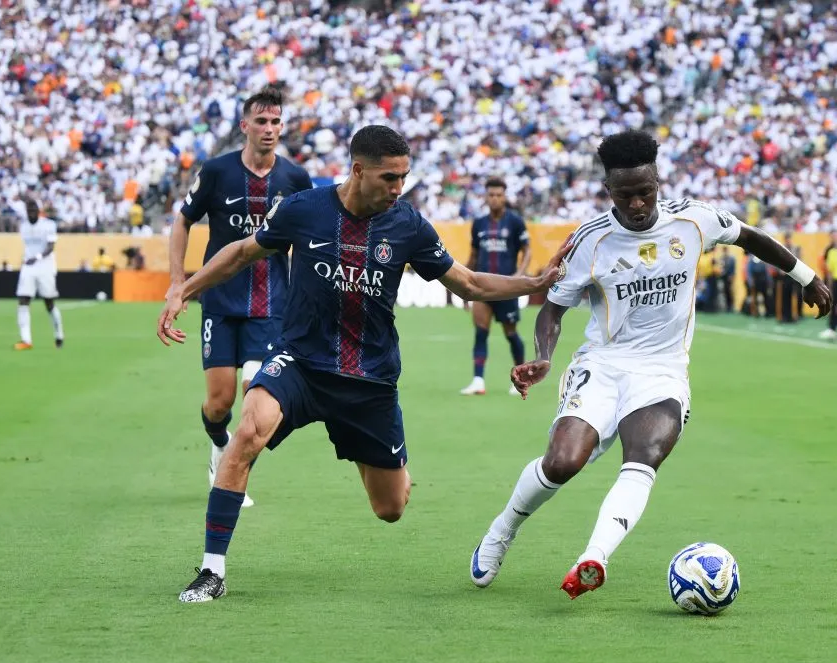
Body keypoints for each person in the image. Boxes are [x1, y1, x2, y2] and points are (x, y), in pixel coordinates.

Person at [157, 124, 570, 603]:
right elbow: (242, 254)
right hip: (301, 364)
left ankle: (361, 446)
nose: (398, 189)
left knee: (390, 507)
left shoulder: (408, 225)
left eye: (403, 178)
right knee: (247, 430)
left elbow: (470, 283)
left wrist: (534, 282)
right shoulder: (303, 209)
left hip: (369, 381)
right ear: (358, 170)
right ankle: (212, 571)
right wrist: (182, 289)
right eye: (389, 178)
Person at [468, 130, 831, 599]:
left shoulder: (694, 219)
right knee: (561, 463)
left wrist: (804, 277)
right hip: (603, 364)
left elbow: (751, 237)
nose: (637, 204)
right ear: (608, 192)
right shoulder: (591, 240)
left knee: (643, 459)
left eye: (645, 192)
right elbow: (554, 308)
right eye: (626, 195)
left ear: (658, 181)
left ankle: (592, 558)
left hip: (662, 370)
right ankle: (502, 531)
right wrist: (543, 356)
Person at [168, 87, 313, 508]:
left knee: (255, 390)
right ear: (244, 126)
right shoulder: (216, 172)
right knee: (219, 404)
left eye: (275, 122)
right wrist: (179, 283)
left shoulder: (295, 179)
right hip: (220, 302)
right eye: (261, 122)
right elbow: (182, 222)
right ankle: (219, 445)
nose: (269, 130)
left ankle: (234, 476)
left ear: (281, 127)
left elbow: (306, 242)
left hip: (271, 307)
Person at [459, 177, 531, 396]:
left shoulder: (515, 222)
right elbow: (473, 256)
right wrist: (464, 285)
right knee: (480, 332)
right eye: (491, 195)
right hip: (482, 287)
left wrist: (519, 275)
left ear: (504, 196)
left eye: (499, 195)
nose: (495, 198)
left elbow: (527, 250)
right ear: (485, 196)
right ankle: (478, 381)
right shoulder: (479, 224)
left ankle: (521, 379)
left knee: (511, 334)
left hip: (506, 287)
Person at [14, 199, 64, 350]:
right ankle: (26, 340)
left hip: (45, 266)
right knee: (23, 300)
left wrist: (36, 258)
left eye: (33, 210)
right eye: (28, 211)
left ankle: (59, 335)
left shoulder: (48, 225)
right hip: (28, 266)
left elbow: (50, 247)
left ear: (38, 211)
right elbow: (28, 247)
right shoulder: (23, 227)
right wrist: (28, 259)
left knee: (49, 303)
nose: (31, 214)